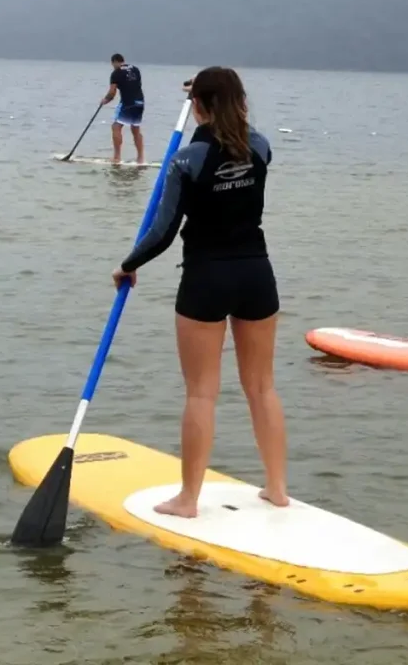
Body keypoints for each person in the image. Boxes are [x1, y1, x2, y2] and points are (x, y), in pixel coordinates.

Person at [112, 66, 288, 519]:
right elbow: (236, 138)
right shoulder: (263, 148)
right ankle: (277, 488)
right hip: (256, 274)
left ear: (199, 107)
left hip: (206, 279)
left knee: (201, 393)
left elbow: (163, 232)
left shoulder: (185, 160)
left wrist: (127, 266)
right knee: (262, 387)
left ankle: (188, 499)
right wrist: (207, 100)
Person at [101, 53, 145, 164]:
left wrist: (105, 100)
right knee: (135, 129)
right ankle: (140, 159)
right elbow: (136, 85)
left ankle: (117, 157)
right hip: (140, 102)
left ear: (114, 62)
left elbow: (112, 93)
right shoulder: (135, 69)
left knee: (116, 127)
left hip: (128, 103)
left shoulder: (116, 73)